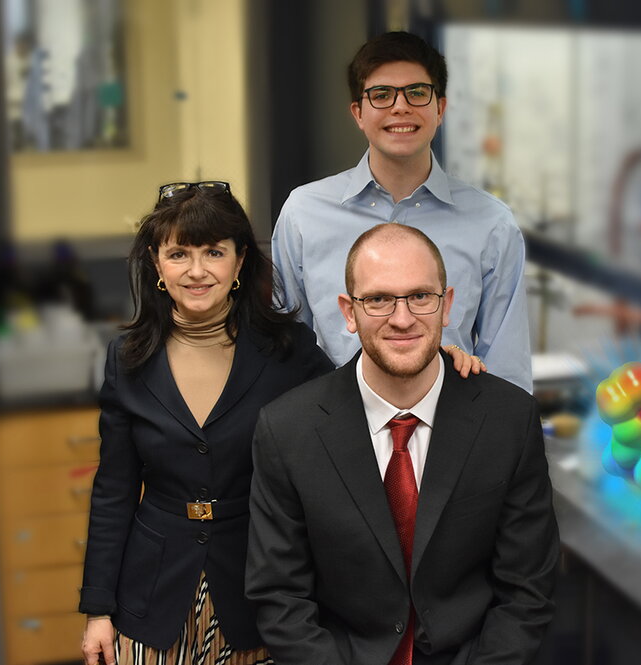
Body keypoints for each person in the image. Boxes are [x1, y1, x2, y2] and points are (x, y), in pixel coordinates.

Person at [247, 224, 559, 664]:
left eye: (420, 296)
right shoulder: (287, 430)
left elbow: (526, 591)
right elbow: (280, 597)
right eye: (377, 299)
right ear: (348, 312)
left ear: (446, 304)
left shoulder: (508, 420)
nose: (402, 318)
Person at [79, 182, 334, 665]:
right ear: (157, 263)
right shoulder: (128, 358)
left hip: (260, 591)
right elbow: (113, 490)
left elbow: (355, 415)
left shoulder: (287, 351)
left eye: (214, 252)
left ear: (239, 263)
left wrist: (435, 363)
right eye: (179, 254)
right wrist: (97, 609)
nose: (197, 271)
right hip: (151, 596)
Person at [271, 31, 533, 392]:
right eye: (381, 95)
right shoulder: (304, 213)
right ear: (358, 113)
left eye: (416, 92)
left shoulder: (492, 222)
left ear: (440, 108)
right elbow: (283, 350)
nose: (400, 107)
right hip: (332, 433)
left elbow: (508, 370)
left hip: (451, 430)